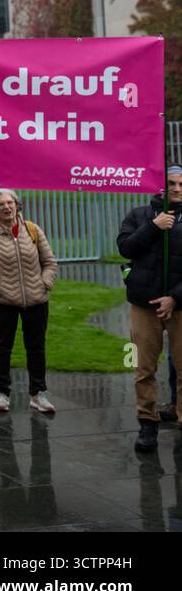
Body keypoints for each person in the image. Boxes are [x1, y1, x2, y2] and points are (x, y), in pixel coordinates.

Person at [0, 188, 59, 414]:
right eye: (1, 204)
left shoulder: (32, 229)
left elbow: (49, 262)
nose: (6, 207)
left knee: (36, 347)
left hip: (36, 299)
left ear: (17, 205)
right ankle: (1, 394)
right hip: (3, 302)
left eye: (10, 203)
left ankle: (38, 394)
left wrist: (45, 284)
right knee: (2, 347)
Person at [117, 165, 182, 453]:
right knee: (144, 368)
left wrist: (175, 298)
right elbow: (126, 248)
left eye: (181, 184)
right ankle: (147, 422)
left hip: (179, 306)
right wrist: (155, 226)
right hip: (144, 305)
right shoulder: (138, 214)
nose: (177, 189)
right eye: (171, 183)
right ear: (161, 184)